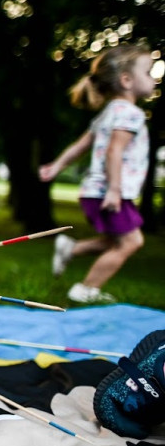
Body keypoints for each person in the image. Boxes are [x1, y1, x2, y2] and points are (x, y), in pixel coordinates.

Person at [39, 44, 155, 304]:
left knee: (114, 240)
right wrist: (114, 190)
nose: (154, 78)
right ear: (126, 80)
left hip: (94, 192)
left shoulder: (108, 113)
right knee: (131, 242)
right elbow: (114, 151)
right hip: (110, 192)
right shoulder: (130, 114)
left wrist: (56, 165)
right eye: (148, 72)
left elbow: (80, 146)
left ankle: (71, 249)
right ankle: (86, 289)